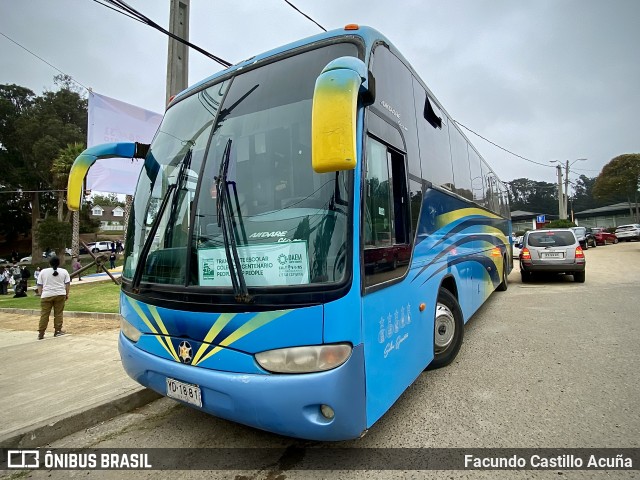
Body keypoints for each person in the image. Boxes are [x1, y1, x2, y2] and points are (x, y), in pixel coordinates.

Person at [36, 256, 71, 340]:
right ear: (59, 263)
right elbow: (67, 284)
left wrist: (41, 294)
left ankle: (41, 333)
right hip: (60, 294)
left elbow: (39, 285)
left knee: (44, 314)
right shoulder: (64, 271)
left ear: (49, 263)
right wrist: (66, 294)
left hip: (46, 295)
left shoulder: (43, 272)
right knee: (58, 313)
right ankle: (58, 331)